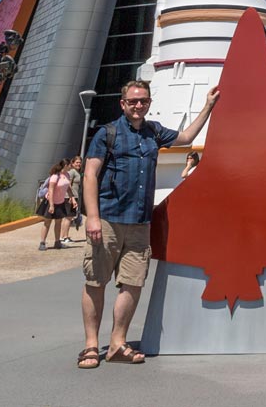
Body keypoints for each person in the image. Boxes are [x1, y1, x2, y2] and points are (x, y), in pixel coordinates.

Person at [79, 79, 220, 368]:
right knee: (96, 281)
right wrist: (92, 216)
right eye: (133, 101)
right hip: (107, 219)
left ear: (149, 103)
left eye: (143, 100)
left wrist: (208, 106)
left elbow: (185, 137)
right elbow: (90, 175)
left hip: (140, 223)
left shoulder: (153, 132)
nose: (138, 105)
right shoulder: (107, 133)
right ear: (123, 103)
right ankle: (91, 346)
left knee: (132, 283)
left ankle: (118, 344)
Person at [40, 159, 75, 251]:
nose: (71, 166)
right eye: (70, 165)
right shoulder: (55, 176)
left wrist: (72, 198)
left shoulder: (67, 175)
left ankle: (57, 242)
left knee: (58, 222)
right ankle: (42, 242)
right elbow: (51, 190)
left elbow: (68, 188)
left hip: (60, 202)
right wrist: (51, 205)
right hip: (51, 202)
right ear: (66, 165)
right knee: (47, 222)